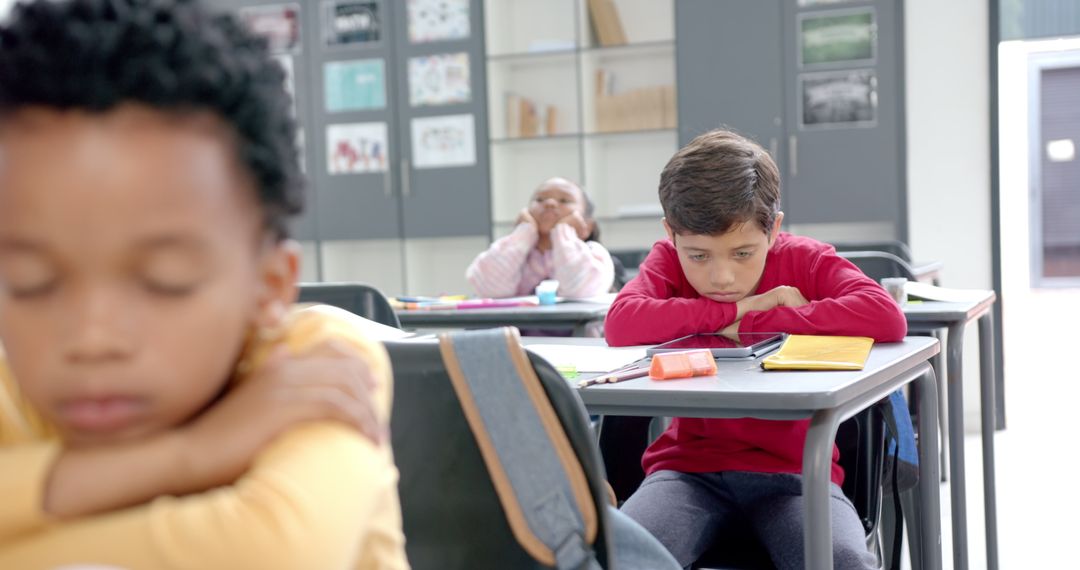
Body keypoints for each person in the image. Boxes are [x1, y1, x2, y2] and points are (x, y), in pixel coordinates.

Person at [0, 1, 407, 568]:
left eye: (165, 282)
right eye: (32, 283)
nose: (92, 339)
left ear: (269, 286)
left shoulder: (318, 365)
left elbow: (272, 552)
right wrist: (188, 454)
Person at [604, 129, 907, 569]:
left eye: (743, 253)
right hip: (688, 474)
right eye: (699, 256)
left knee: (843, 561)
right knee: (620, 560)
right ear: (671, 233)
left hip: (795, 475)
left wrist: (755, 324)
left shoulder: (804, 258)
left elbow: (885, 316)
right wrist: (737, 309)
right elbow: (621, 322)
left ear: (774, 228)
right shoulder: (668, 258)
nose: (721, 277)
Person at [466, 177, 616, 299]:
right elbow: (489, 289)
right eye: (539, 199)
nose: (549, 203)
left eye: (564, 200)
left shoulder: (594, 254)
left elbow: (578, 291)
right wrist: (523, 233)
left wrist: (562, 232)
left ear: (587, 226)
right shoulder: (512, 251)